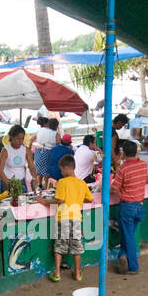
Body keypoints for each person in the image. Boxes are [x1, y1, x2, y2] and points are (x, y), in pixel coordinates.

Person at [50, 155, 92, 283]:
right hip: (76, 219)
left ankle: (57, 273)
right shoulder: (82, 183)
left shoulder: (62, 182)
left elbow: (60, 200)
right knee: (76, 247)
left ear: (67, 168)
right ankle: (77, 273)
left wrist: (44, 201)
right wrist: (78, 199)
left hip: (63, 218)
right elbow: (90, 199)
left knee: (59, 247)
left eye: (62, 169)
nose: (61, 172)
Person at [110, 139, 147, 274]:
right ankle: (122, 255)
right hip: (140, 207)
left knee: (128, 237)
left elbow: (114, 188)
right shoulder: (143, 165)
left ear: (123, 152)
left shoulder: (123, 168)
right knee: (128, 235)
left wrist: (106, 188)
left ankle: (133, 267)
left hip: (127, 208)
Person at [0, 124, 34, 194]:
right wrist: (10, 184)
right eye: (18, 139)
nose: (20, 141)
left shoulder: (26, 150)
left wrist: (35, 178)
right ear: (11, 137)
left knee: (22, 202)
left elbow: (31, 167)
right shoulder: (5, 150)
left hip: (21, 181)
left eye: (22, 139)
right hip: (7, 181)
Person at [32, 116, 59, 190]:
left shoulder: (40, 130)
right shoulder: (56, 134)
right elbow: (58, 144)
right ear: (56, 126)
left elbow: (31, 139)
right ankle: (46, 188)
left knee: (40, 170)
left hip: (38, 151)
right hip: (48, 153)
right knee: (47, 173)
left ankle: (39, 185)